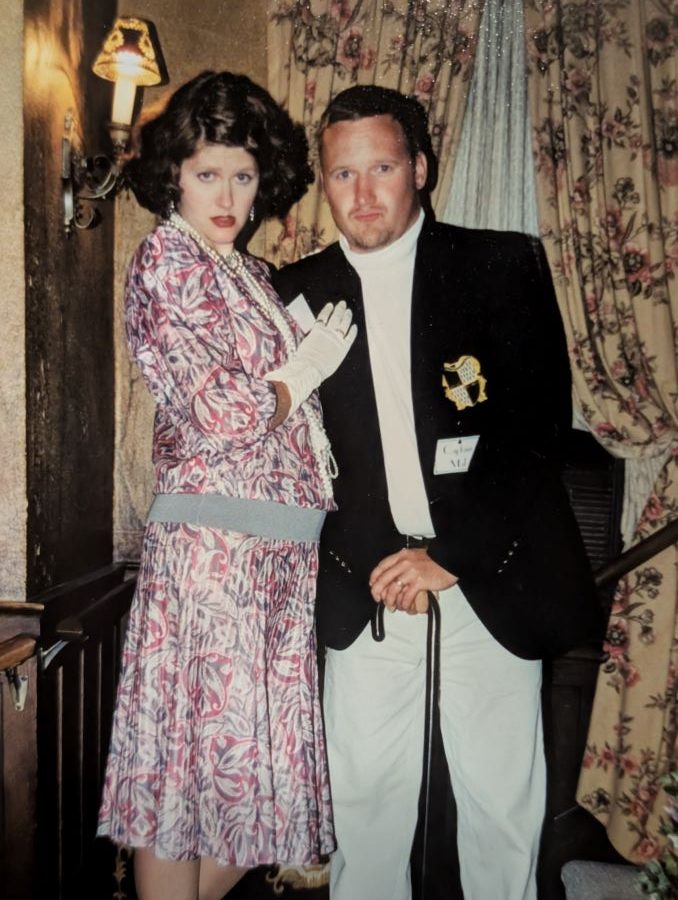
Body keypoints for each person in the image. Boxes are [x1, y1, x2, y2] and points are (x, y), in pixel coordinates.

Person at [273, 85, 603, 900]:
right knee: (366, 806)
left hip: (486, 572)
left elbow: (534, 441)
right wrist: (381, 559)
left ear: (418, 167)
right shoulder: (292, 293)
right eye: (341, 173)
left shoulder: (501, 266)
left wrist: (447, 558)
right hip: (364, 581)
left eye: (381, 167)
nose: (362, 194)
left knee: (500, 803)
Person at [97, 71, 357, 900]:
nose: (228, 195)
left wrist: (299, 363)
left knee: (247, 804)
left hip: (275, 557)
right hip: (216, 556)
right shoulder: (169, 258)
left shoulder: (244, 272)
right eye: (207, 173)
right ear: (174, 173)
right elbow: (222, 410)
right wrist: (299, 372)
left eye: (243, 176)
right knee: (190, 790)